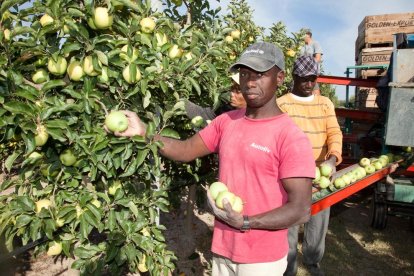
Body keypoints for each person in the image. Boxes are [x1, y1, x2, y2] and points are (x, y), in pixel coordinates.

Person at [115, 42, 316, 275]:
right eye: (244, 74)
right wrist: (144, 133)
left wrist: (247, 222)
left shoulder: (291, 136)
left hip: (261, 258)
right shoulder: (226, 121)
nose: (250, 82)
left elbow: (301, 209)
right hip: (223, 247)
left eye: (260, 74)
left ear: (280, 78)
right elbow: (185, 149)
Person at [277, 55, 343, 276]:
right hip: (291, 176)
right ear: (294, 77)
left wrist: (333, 159)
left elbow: (334, 132)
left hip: (320, 174)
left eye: (312, 79)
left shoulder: (325, 104)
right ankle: (288, 268)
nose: (308, 84)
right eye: (304, 79)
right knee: (289, 225)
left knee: (317, 224)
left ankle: (313, 264)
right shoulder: (282, 103)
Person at [299, 30, 323, 95]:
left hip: (311, 72)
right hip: (301, 73)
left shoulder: (315, 44)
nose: (303, 38)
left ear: (309, 36)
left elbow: (318, 58)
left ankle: (317, 103)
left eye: (304, 36)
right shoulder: (302, 46)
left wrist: (306, 65)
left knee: (314, 90)